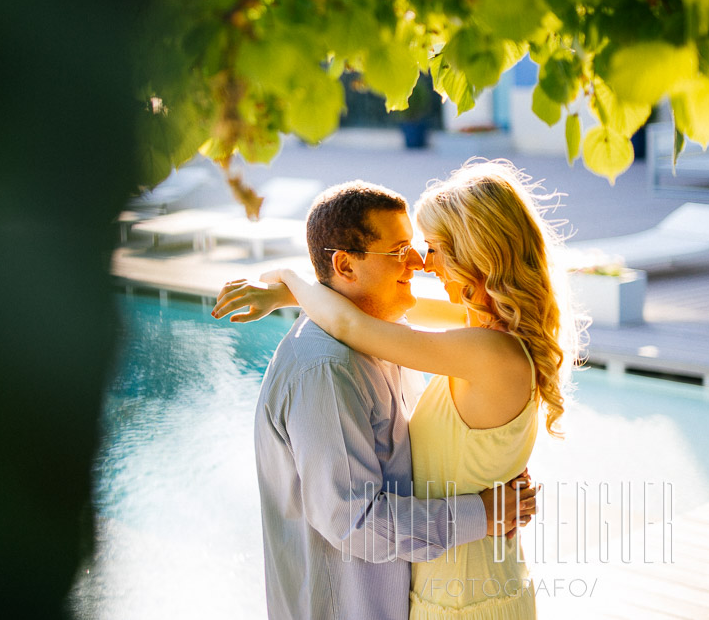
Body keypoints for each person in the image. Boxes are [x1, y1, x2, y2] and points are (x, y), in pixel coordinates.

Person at [213, 174, 543, 620]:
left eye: (423, 247)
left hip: (455, 594)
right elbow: (355, 521)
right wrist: (479, 512)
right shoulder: (327, 369)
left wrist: (291, 284)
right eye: (400, 251)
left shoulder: (398, 342)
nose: (419, 264)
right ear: (346, 267)